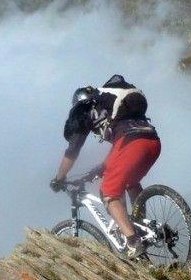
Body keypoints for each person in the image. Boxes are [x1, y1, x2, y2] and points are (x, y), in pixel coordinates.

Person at [50, 75, 161, 257]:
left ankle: (133, 242)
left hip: (130, 143)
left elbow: (73, 151)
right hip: (152, 141)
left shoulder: (85, 112)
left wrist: (59, 178)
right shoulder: (111, 111)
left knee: (108, 194)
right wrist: (98, 170)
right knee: (131, 181)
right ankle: (141, 224)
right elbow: (118, 152)